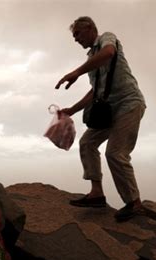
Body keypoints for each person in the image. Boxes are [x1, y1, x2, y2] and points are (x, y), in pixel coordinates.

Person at [55, 16, 147, 222]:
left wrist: (77, 71)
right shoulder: (91, 57)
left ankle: (134, 203)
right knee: (87, 143)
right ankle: (96, 194)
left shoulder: (107, 38)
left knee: (115, 153)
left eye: (77, 33)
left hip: (129, 104)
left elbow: (109, 53)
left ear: (89, 28)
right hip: (109, 109)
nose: (75, 39)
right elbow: (94, 91)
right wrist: (72, 110)